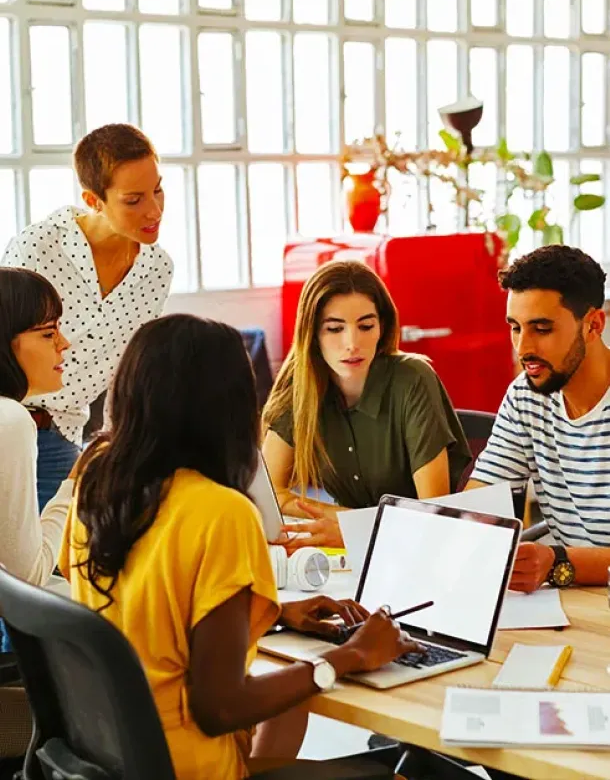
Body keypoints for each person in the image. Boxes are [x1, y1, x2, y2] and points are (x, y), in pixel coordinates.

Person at [59, 314, 423, 780]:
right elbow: (220, 708)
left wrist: (275, 613)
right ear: (226, 407)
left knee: (292, 700)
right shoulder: (222, 512)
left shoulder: (98, 479)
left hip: (117, 756)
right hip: (191, 766)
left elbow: (133, 609)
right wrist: (351, 655)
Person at [1, 123, 173, 510]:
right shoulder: (39, 247)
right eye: (134, 200)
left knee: (67, 561)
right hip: (9, 426)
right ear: (94, 200)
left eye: (158, 189)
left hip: (64, 434)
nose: (154, 210)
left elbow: (130, 368)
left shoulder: (157, 269)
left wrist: (121, 445)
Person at [262, 260, 471, 549]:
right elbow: (271, 491)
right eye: (335, 328)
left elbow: (432, 516)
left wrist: (355, 530)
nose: (352, 343)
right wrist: (352, 522)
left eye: (366, 326)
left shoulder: (413, 378)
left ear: (381, 328)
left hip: (432, 549)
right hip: (357, 556)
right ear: (313, 335)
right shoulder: (299, 385)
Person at [467, 244, 610, 593]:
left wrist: (559, 562)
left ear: (593, 325)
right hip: (568, 601)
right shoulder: (526, 395)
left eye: (541, 329)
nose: (522, 348)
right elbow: (477, 505)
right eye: (515, 327)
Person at [0, 267, 75, 756]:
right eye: (48, 333)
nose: (64, 345)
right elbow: (25, 575)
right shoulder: (9, 420)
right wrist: (75, 487)